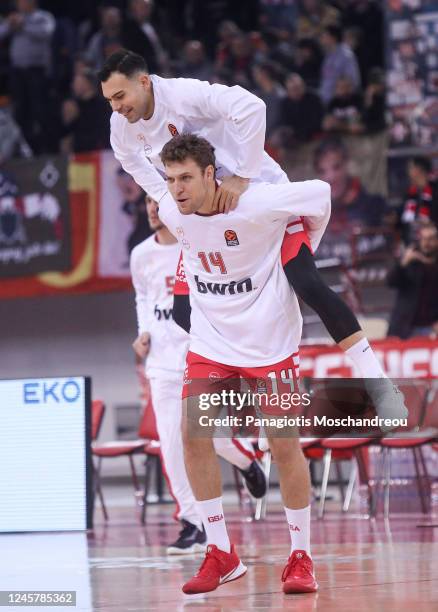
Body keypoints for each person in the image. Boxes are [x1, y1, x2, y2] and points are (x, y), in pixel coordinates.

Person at [100, 48, 407, 446]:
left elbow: (252, 106)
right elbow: (135, 166)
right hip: (208, 217)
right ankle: (243, 385)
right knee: (183, 309)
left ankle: (380, 386)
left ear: (144, 82)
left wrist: (242, 176)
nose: (116, 106)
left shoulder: (183, 94)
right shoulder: (121, 128)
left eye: (120, 96)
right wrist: (175, 207)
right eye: (109, 100)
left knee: (306, 282)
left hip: (257, 198)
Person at [151, 133, 330, 594]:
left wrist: (306, 234)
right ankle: (221, 552)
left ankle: (300, 556)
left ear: (212, 175)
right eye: (170, 179)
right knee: (195, 437)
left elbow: (319, 195)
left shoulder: (257, 203)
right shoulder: (174, 211)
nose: (177, 189)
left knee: (284, 445)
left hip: (271, 344)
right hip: (211, 345)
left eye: (187, 177)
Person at [131, 194, 266, 554]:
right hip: (161, 364)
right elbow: (142, 298)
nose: (152, 209)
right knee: (172, 447)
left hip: (201, 357)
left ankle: (247, 460)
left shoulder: (196, 243)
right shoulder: (140, 254)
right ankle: (193, 523)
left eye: (157, 201)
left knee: (215, 439)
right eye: (147, 202)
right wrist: (143, 332)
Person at [387, 223, 438, 339]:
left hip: (431, 328)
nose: (427, 243)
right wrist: (404, 262)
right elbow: (390, 282)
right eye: (423, 239)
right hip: (405, 327)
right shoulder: (411, 263)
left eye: (431, 239)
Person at [399, 156, 438, 245]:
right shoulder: (410, 194)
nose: (408, 171)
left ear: (419, 170)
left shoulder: (435, 190)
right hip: (412, 242)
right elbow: (404, 219)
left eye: (411, 168)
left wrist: (429, 223)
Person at [319, 25, 361, 105]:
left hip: (341, 104)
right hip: (326, 102)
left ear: (333, 38)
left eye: (324, 35)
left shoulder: (346, 55)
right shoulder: (327, 55)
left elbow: (353, 80)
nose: (322, 38)